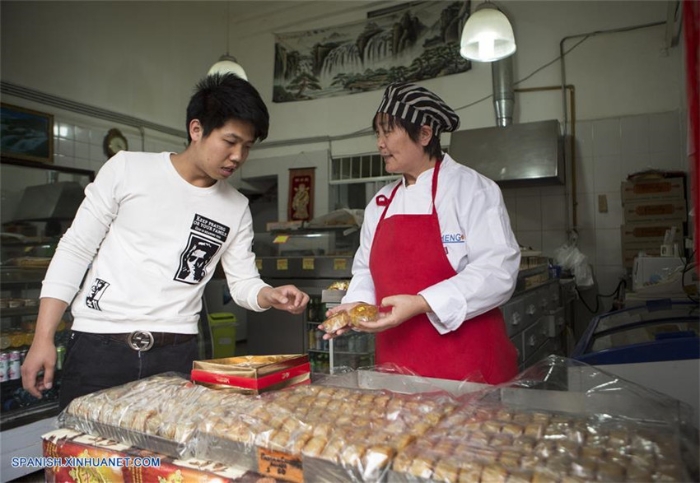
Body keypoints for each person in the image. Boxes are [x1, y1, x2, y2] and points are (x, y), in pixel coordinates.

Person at [21, 73, 309, 409]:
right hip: (99, 346)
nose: (237, 156)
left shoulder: (236, 207)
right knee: (88, 457)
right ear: (196, 130)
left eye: (247, 146)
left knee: (162, 459)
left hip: (176, 352)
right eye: (230, 141)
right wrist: (42, 338)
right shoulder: (128, 169)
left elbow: (243, 281)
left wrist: (268, 295)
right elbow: (75, 248)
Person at [324, 82, 520, 384]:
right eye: (377, 133)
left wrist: (421, 303)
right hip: (396, 365)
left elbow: (498, 271)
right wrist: (356, 307)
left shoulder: (472, 189)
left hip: (468, 365)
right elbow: (364, 271)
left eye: (388, 131)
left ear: (425, 134)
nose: (379, 143)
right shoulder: (381, 203)